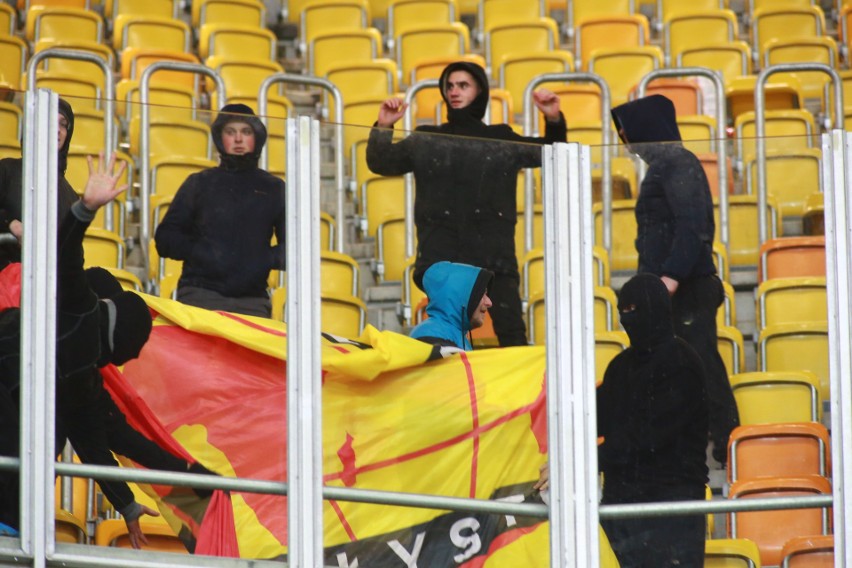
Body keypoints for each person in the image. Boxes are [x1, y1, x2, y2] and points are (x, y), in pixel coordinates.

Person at [0, 154, 213, 548]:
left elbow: (104, 443)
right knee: (23, 445)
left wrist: (86, 209)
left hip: (13, 435)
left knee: (26, 444)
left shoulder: (84, 371)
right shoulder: (82, 332)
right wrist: (200, 479)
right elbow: (111, 444)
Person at [366, 61, 566, 347]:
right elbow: (381, 162)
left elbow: (553, 154)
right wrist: (385, 125)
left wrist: (554, 121)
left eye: (463, 85)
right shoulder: (427, 137)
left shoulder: (501, 137)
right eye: (449, 86)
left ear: (480, 91)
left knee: (512, 335)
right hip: (442, 257)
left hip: (494, 258)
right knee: (443, 337)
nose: (454, 92)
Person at [535, 274, 709, 567]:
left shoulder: (682, 363)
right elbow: (594, 418)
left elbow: (646, 439)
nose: (628, 319)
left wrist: (577, 462)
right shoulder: (622, 366)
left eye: (635, 309)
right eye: (623, 311)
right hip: (621, 511)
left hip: (671, 512)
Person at [610, 94, 739, 465]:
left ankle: (727, 439)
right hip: (675, 287)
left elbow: (691, 226)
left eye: (627, 130)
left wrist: (669, 278)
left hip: (685, 287)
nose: (625, 139)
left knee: (699, 362)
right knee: (688, 364)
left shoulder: (677, 162)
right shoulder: (667, 165)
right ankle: (710, 441)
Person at [154, 104, 286, 318]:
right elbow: (166, 239)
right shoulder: (199, 183)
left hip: (252, 302)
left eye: (246, 132)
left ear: (257, 138)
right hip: (199, 297)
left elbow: (292, 248)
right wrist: (202, 252)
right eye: (230, 132)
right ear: (219, 138)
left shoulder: (274, 188)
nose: (238, 139)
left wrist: (261, 259)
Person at [0, 97, 78, 266]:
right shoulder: (6, 170)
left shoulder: (71, 197)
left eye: (63, 124)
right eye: (50, 121)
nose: (57, 129)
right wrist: (10, 224)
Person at [409, 261, 494, 351]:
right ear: (460, 295)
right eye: (482, 294)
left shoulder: (454, 335)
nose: (489, 303)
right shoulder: (431, 335)